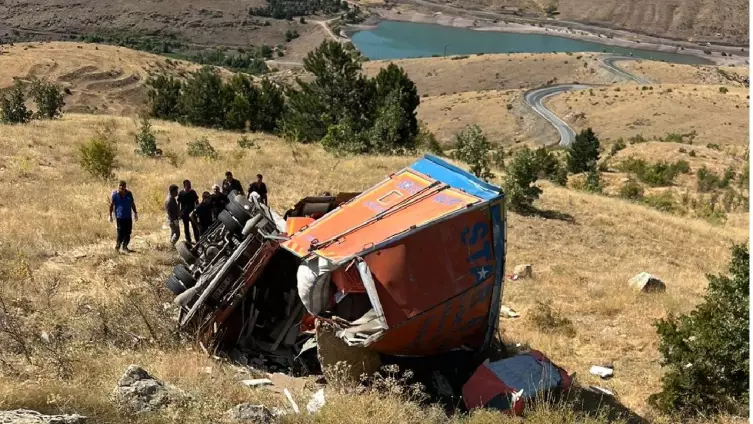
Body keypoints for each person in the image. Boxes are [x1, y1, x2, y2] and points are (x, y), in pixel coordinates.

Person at [109, 180, 138, 253]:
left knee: (128, 232)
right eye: (120, 185)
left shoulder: (129, 194)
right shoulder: (115, 194)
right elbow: (111, 205)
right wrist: (110, 216)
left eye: (123, 185)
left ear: (125, 186)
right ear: (118, 186)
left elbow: (132, 203)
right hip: (119, 217)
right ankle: (117, 248)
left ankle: (125, 247)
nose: (121, 187)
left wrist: (135, 213)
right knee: (120, 233)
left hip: (128, 217)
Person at [178, 179, 200, 244]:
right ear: (184, 185)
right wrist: (179, 213)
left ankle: (197, 240)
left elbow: (197, 202)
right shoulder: (181, 193)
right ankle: (188, 241)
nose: (190, 186)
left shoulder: (193, 192)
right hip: (184, 213)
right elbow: (178, 203)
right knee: (186, 227)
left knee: (195, 227)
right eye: (188, 185)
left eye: (190, 184)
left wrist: (197, 211)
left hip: (192, 213)